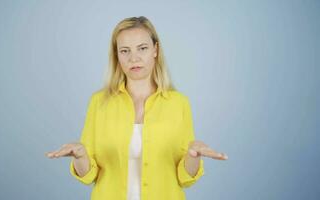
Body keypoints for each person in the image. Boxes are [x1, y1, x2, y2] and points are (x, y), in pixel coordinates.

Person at [45, 16, 228, 200]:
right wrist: (80, 155)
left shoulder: (179, 103)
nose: (134, 58)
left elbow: (185, 178)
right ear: (117, 55)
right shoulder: (99, 102)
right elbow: (88, 176)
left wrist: (193, 155)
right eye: (125, 51)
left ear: (155, 50)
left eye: (142, 48)